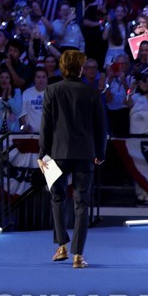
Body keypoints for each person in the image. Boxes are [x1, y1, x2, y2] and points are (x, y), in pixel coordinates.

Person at [39, 50, 106, 269]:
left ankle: (62, 246)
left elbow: (46, 126)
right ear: (80, 68)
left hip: (55, 154)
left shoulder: (52, 90)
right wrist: (100, 153)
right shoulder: (92, 92)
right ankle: (78, 255)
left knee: (57, 199)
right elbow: (100, 127)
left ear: (62, 66)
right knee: (82, 204)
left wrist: (42, 154)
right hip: (85, 153)